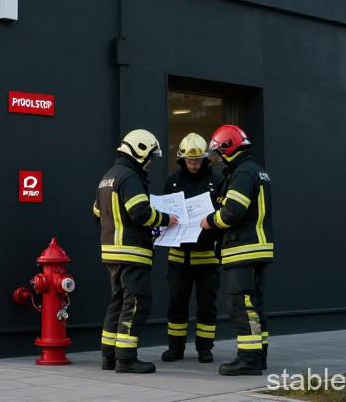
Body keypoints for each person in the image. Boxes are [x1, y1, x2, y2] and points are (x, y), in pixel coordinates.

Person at [93, 129, 178, 374]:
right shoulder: (129, 177)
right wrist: (165, 218)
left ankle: (109, 357)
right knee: (136, 303)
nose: (150, 162)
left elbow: (97, 212)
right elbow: (140, 212)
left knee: (118, 303)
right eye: (150, 156)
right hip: (132, 253)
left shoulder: (108, 177)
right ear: (140, 151)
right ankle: (127, 359)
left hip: (112, 253)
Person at [200, 125, 273, 376]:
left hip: (243, 249)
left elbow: (232, 212)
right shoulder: (253, 170)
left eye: (218, 153)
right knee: (254, 304)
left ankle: (249, 360)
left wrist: (210, 221)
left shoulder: (243, 173)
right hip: (254, 249)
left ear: (226, 148)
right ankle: (258, 356)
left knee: (240, 305)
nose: (217, 159)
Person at [160, 133, 223, 364]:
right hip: (178, 257)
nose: (193, 164)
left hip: (207, 257)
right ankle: (175, 348)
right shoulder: (172, 182)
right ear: (181, 160)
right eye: (189, 160)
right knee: (176, 304)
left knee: (207, 305)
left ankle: (204, 349)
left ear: (205, 158)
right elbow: (165, 213)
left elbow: (223, 217)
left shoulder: (216, 182)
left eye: (197, 160)